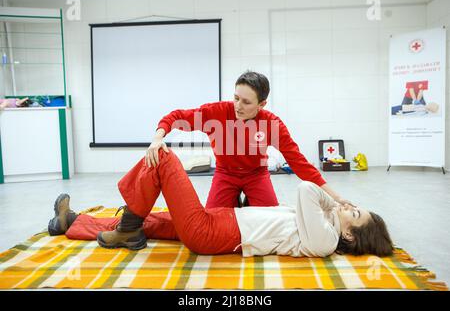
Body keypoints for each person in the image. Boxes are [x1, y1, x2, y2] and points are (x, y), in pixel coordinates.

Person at [48, 149, 394, 258]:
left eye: (354, 212)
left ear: (351, 236)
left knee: (164, 160)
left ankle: (128, 227)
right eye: (352, 206)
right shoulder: (323, 228)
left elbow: (305, 189)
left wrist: (333, 199)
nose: (348, 206)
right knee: (151, 220)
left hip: (216, 233)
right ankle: (74, 222)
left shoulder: (326, 240)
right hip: (222, 219)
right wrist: (335, 206)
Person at [147, 71, 349, 210]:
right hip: (225, 174)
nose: (237, 105)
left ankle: (249, 202)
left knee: (270, 221)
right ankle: (233, 200)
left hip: (257, 175)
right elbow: (175, 117)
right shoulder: (216, 112)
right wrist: (157, 138)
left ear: (262, 104)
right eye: (236, 98)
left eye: (246, 102)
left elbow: (299, 163)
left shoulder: (272, 124)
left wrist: (336, 197)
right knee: (214, 220)